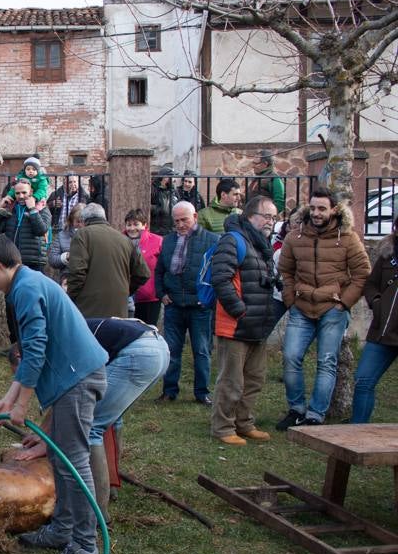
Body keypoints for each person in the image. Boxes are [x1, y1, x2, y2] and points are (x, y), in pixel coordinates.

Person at [0, 233, 108, 554]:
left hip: (77, 380)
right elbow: (33, 354)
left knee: (74, 463)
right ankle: (62, 529)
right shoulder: (30, 281)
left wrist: (22, 407)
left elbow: (35, 349)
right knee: (61, 461)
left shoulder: (25, 289)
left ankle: (85, 546)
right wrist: (9, 396)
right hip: (72, 379)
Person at [13, 317, 169, 523]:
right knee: (109, 420)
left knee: (90, 427)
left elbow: (64, 395)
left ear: (20, 355)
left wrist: (45, 441)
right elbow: (65, 395)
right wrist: (44, 435)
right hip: (157, 349)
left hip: (138, 354)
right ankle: (110, 487)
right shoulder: (57, 334)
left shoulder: (47, 346)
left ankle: (94, 515)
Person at [277, 188, 371, 428]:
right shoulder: (295, 237)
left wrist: (344, 303)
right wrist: (290, 298)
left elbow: (362, 273)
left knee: (327, 361)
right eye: (313, 208)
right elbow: (285, 270)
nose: (317, 213)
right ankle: (296, 409)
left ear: (334, 210)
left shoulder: (348, 238)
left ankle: (315, 414)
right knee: (290, 357)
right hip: (301, 305)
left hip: (333, 308)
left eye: (322, 208)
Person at [210, 196, 284, 445]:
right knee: (231, 381)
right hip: (235, 324)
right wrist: (239, 310)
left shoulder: (262, 244)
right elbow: (220, 278)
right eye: (267, 216)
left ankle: (244, 423)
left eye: (274, 217)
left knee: (254, 378)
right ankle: (223, 427)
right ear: (251, 215)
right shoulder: (233, 240)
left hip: (257, 324)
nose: (271, 222)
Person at [154, 201, 220, 404]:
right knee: (172, 350)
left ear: (195, 218)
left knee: (201, 351)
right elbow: (159, 271)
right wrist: (161, 293)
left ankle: (202, 393)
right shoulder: (168, 241)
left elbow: (217, 273)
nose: (181, 225)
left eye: (185, 220)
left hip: (200, 306)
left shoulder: (212, 240)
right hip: (174, 304)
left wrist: (208, 299)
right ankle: (169, 391)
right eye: (177, 221)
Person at [0, 179, 52, 351]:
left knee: (31, 304)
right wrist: (0, 210)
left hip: (32, 262)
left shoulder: (42, 209)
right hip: (11, 265)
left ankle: (32, 344)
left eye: (24, 192)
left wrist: (32, 210)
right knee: (11, 305)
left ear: (31, 192)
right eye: (18, 193)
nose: (21, 196)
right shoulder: (10, 212)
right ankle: (15, 345)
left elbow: (41, 229)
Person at [67, 203, 150, 319]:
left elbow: (77, 272)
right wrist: (126, 289)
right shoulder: (124, 239)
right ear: (104, 218)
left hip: (89, 309)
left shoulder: (82, 235)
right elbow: (144, 273)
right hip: (119, 309)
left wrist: (70, 298)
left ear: (84, 221)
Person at [352, 218, 398, 423]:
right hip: (382, 332)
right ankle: (356, 434)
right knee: (363, 381)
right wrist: (377, 303)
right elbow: (370, 285)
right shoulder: (387, 255)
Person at [125, 208, 164, 325]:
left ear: (145, 225)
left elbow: (163, 267)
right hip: (125, 296)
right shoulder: (119, 240)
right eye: (129, 225)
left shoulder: (157, 241)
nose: (132, 228)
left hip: (149, 297)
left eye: (136, 224)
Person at [48, 203, 85, 285]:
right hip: (67, 278)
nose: (80, 225)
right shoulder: (62, 235)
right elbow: (52, 259)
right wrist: (66, 257)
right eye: (78, 221)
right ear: (72, 221)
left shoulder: (90, 235)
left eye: (83, 221)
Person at [250, 149, 286, 214]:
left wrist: (268, 217)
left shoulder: (274, 179)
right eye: (253, 163)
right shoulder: (257, 178)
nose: (253, 166)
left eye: (255, 163)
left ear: (265, 164)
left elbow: (279, 203)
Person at [150, 164, 178, 236]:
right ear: (164, 177)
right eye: (172, 176)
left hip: (171, 229)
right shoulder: (153, 189)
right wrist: (159, 209)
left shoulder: (173, 190)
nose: (175, 179)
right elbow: (146, 206)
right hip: (158, 229)